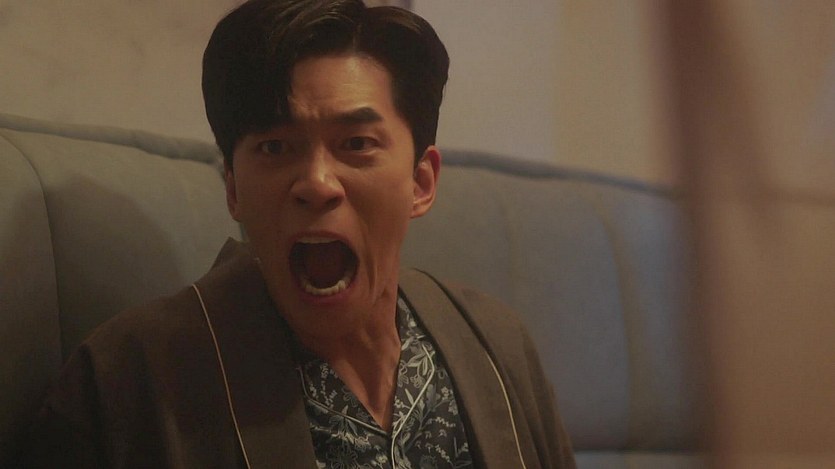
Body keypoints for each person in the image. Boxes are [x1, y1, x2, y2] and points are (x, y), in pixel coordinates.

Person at [21, 1, 575, 467]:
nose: (316, 183)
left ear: (421, 182)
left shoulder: (496, 346)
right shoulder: (126, 380)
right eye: (275, 147)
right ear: (233, 188)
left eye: (356, 144)